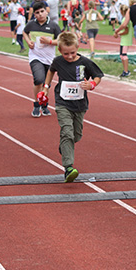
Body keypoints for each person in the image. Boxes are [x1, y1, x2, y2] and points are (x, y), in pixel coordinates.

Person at [43, 31, 103, 182]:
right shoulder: (58, 61)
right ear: (60, 51)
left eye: (72, 53)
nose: (69, 56)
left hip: (80, 104)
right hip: (62, 102)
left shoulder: (85, 62)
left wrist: (92, 84)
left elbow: (98, 75)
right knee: (67, 132)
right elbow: (50, 71)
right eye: (65, 54)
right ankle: (68, 167)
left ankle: (65, 147)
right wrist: (46, 87)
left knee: (76, 135)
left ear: (77, 48)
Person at [23, 1, 61, 117]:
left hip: (49, 59)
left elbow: (60, 41)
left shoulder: (54, 25)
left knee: (46, 84)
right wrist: (28, 41)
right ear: (34, 14)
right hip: (35, 57)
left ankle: (44, 104)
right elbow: (25, 32)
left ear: (46, 11)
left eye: (42, 11)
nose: (40, 14)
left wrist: (49, 41)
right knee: (38, 79)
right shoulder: (31, 24)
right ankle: (36, 104)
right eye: (37, 13)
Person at [114, 4, 133, 77]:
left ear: (122, 11)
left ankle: (126, 71)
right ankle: (125, 70)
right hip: (123, 40)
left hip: (126, 40)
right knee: (121, 55)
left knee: (124, 55)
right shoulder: (124, 19)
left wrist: (118, 33)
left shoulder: (126, 19)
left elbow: (126, 31)